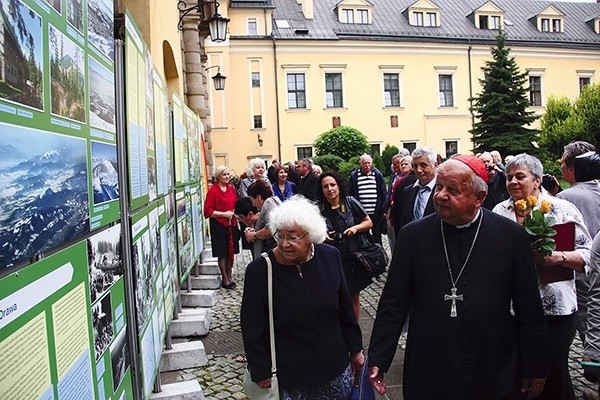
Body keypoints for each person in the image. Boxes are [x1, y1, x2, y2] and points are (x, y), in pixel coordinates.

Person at [368, 156, 549, 399]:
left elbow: (529, 307)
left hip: (492, 360)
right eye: (440, 186)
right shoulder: (413, 237)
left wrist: (535, 365)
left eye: (453, 190)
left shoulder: (511, 236)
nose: (441, 195)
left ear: (479, 198)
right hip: (430, 361)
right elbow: (393, 302)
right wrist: (379, 356)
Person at [241, 196, 364, 399]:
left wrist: (356, 349)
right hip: (290, 374)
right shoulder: (260, 270)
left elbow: (344, 308)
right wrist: (260, 369)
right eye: (280, 236)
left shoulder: (330, 256)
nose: (284, 244)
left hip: (333, 367)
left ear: (310, 236)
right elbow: (252, 324)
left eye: (293, 237)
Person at [493, 153, 592, 400]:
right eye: (508, 177)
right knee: (518, 373)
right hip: (512, 309)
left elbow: (589, 255)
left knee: (552, 373)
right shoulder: (499, 211)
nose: (513, 182)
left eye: (520, 176)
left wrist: (558, 257)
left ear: (537, 181)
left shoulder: (561, 209)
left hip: (554, 308)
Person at [317, 170, 374, 319]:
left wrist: (355, 228)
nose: (330, 189)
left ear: (338, 186)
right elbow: (312, 231)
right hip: (330, 259)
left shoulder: (349, 202)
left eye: (332, 185)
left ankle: (353, 330)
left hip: (351, 257)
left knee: (353, 296)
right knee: (333, 295)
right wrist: (322, 235)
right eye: (325, 186)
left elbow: (368, 222)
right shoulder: (319, 209)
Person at [203, 166, 240, 289]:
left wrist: (233, 212)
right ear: (218, 176)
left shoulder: (231, 189)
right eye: (224, 174)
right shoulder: (213, 191)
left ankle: (230, 276)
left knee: (231, 251)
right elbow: (208, 211)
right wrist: (224, 214)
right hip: (219, 224)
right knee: (222, 253)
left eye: (228, 174)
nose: (227, 176)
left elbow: (235, 203)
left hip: (231, 223)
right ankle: (225, 278)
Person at [393, 146, 438, 236]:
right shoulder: (407, 191)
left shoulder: (444, 190)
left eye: (423, 165)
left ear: (435, 165)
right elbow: (401, 222)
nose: (418, 170)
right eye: (415, 166)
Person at [348, 154, 387, 245]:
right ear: (360, 164)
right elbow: (351, 193)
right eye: (364, 163)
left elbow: (383, 193)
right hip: (361, 212)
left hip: (376, 211)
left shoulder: (377, 174)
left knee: (377, 234)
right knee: (363, 235)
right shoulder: (354, 176)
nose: (367, 165)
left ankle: (379, 253)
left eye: (369, 163)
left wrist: (384, 209)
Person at [244, 180, 282, 259]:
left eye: (252, 200)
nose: (253, 204)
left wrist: (254, 235)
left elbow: (271, 229)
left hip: (271, 248)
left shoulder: (269, 204)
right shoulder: (274, 200)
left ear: (258, 197)